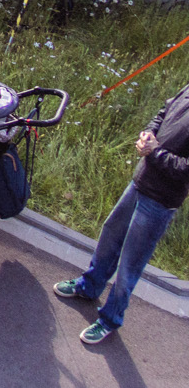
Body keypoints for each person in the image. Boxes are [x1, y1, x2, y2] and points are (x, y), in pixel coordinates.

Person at [55, 79, 189, 345]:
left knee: (130, 262)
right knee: (110, 237)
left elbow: (186, 169)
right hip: (140, 181)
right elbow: (164, 111)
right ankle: (89, 286)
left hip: (161, 200)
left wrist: (155, 152)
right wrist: (147, 135)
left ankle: (110, 319)